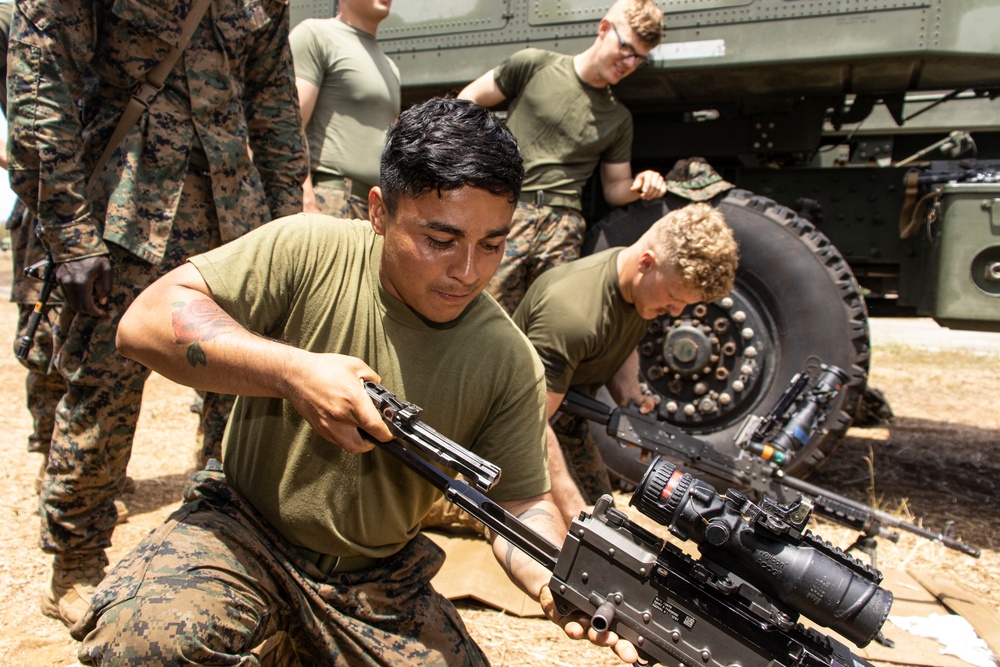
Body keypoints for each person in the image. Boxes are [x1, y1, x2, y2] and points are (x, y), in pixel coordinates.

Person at [72, 97, 638, 666]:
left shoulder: (509, 359)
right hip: (243, 531)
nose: (468, 272)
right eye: (440, 240)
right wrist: (294, 372)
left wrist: (551, 579)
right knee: (140, 645)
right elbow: (144, 322)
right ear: (379, 211)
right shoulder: (308, 248)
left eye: (491, 244)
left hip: (378, 579)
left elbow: (521, 502)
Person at [6, 0, 308, 628]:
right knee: (101, 397)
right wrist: (70, 231)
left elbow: (275, 108)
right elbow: (42, 81)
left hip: (235, 221)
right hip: (122, 217)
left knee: (246, 392)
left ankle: (223, 546)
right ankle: (76, 564)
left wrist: (284, 233)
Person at [513, 202, 739, 525]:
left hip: (565, 423)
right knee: (573, 534)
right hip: (508, 437)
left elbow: (620, 338)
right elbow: (527, 424)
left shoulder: (638, 286)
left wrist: (630, 398)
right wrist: (579, 515)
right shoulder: (572, 313)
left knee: (609, 526)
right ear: (647, 262)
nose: (676, 313)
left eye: (684, 305)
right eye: (674, 298)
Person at [459, 0, 668, 314]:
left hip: (563, 226)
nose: (628, 62)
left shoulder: (618, 117)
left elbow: (614, 188)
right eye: (626, 48)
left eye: (638, 57)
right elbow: (468, 101)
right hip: (510, 211)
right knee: (481, 312)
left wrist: (643, 183)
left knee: (548, 319)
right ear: (603, 29)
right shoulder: (534, 64)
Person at [0, 0, 68, 493]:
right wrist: (26, 162)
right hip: (49, 197)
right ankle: (51, 455)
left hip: (108, 191)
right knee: (47, 331)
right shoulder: (13, 17)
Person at [291, 0, 400, 219]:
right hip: (331, 200)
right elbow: (289, 125)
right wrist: (305, 196)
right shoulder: (315, 35)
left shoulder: (390, 67)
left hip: (374, 208)